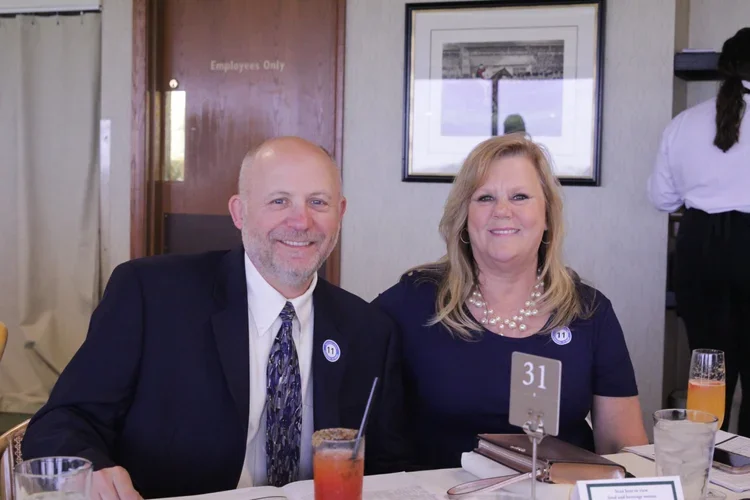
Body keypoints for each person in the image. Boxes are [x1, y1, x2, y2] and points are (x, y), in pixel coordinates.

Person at [22, 137, 410, 499]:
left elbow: (387, 468)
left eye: (319, 203)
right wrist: (93, 472)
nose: (301, 221)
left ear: (340, 213)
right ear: (239, 213)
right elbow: (63, 421)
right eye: (278, 201)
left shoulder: (369, 330)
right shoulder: (150, 294)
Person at [373, 134, 648, 470]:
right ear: (464, 218)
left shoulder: (590, 312)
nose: (502, 211)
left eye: (520, 197)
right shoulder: (411, 302)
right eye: (485, 198)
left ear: (547, 216)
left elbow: (623, 448)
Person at [647, 27, 750, 434]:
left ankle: (706, 468)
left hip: (699, 248)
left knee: (708, 369)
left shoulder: (684, 123)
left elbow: (662, 199)